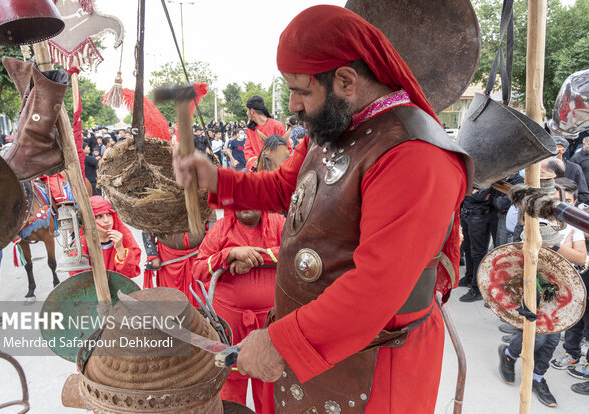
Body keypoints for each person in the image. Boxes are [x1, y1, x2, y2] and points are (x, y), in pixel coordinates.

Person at [173, 6, 471, 413]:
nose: (293, 104)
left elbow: (376, 288)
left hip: (375, 364)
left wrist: (279, 342)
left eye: (301, 90)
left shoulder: (414, 155)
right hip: (313, 340)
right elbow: (285, 187)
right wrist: (216, 182)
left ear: (346, 80)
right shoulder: (337, 126)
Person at [499, 177, 587, 408]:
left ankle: (537, 377)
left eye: (567, 201)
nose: (560, 207)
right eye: (556, 201)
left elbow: (580, 258)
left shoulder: (575, 225)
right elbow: (512, 258)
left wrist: (554, 245)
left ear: (574, 202)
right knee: (539, 334)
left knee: (551, 338)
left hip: (565, 290)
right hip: (533, 285)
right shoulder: (531, 219)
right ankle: (510, 353)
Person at [191, 209, 285, 412]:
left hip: (269, 324)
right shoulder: (219, 229)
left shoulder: (279, 223)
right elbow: (197, 269)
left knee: (269, 381)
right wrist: (229, 254)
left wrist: (249, 257)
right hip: (229, 326)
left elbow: (297, 251)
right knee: (230, 384)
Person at [72, 196, 141, 279]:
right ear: (89, 220)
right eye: (99, 216)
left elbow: (130, 273)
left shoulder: (123, 236)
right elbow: (78, 279)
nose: (106, 220)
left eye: (109, 214)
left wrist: (120, 248)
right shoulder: (82, 243)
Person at [243, 96, 290, 170]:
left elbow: (287, 149)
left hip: (276, 169)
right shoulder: (250, 129)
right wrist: (253, 160)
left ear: (252, 111)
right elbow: (247, 149)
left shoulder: (277, 126)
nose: (246, 113)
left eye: (247, 110)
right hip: (256, 169)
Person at [552, 135, 589, 203]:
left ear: (563, 150)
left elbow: (584, 195)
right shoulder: (541, 167)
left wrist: (570, 205)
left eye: (554, 146)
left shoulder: (574, 169)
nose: (550, 149)